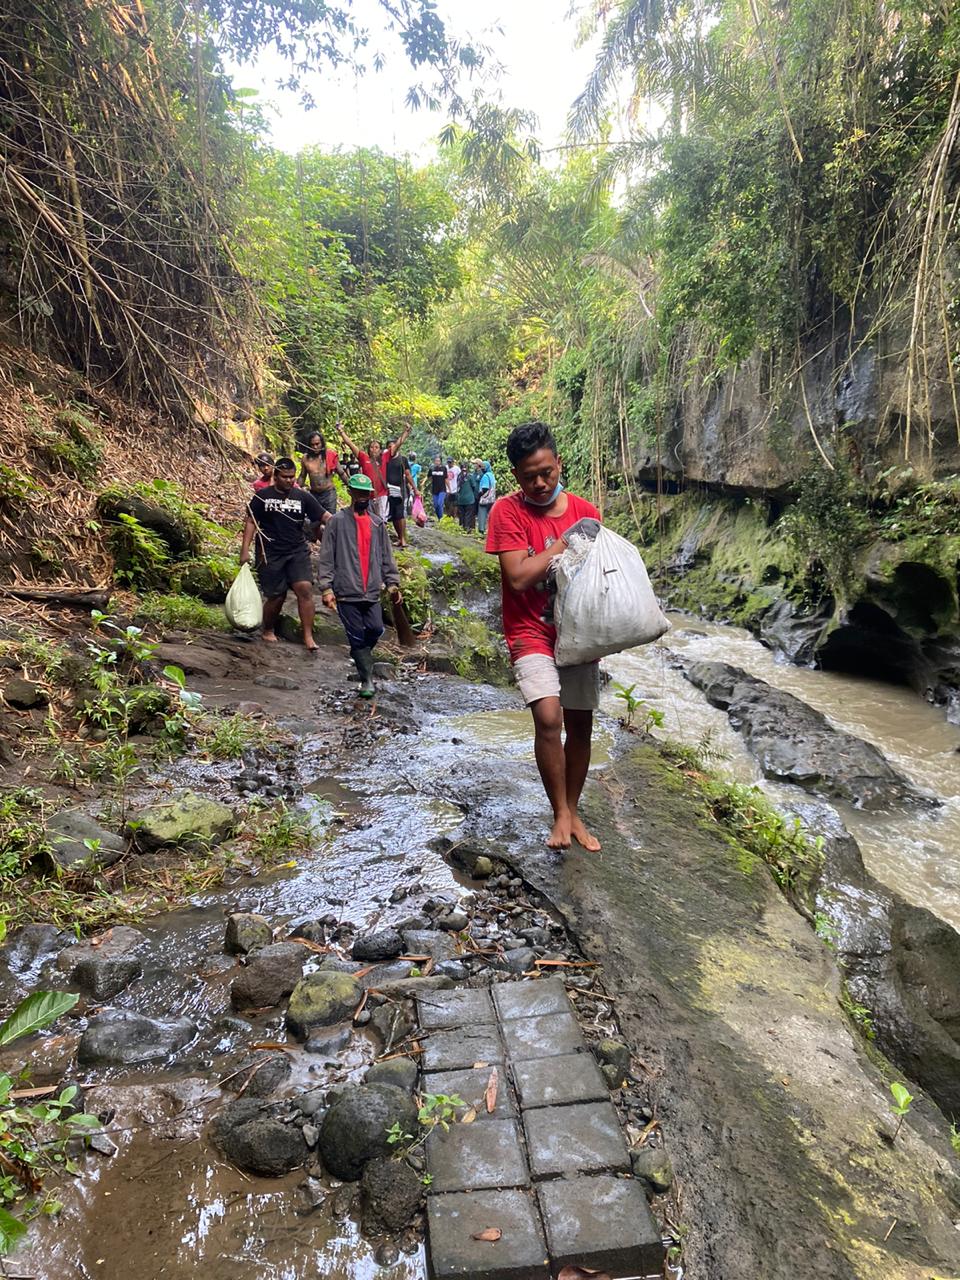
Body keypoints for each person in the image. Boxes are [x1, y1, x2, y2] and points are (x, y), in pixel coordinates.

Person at [485, 421, 602, 852]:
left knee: (580, 724)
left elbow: (598, 579)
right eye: (529, 475)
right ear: (515, 475)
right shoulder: (506, 512)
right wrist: (563, 546)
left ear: (559, 464)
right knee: (549, 717)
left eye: (546, 473)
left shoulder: (588, 513)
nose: (539, 483)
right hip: (529, 630)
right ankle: (559, 814)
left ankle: (573, 811)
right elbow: (517, 577)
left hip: (578, 633)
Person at [316, 473, 402, 699]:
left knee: (375, 629)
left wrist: (392, 582)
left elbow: (386, 555)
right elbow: (326, 557)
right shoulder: (336, 522)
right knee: (355, 635)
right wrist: (326, 588)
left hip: (371, 590)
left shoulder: (377, 523)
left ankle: (360, 657)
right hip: (346, 592)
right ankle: (367, 679)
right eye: (360, 493)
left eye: (367, 494)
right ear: (351, 493)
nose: (363, 497)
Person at [240, 457, 329, 651]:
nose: (289, 480)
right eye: (285, 477)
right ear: (276, 475)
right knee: (276, 595)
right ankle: (268, 628)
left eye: (292, 477)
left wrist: (344, 524)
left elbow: (323, 515)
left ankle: (308, 636)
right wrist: (244, 550)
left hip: (297, 550)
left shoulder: (302, 496)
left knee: (305, 589)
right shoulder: (263, 496)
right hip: (270, 552)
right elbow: (250, 521)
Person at [298, 431, 348, 516]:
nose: (315, 447)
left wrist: (351, 486)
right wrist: (296, 489)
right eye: (312, 445)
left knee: (330, 519)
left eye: (317, 444)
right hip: (314, 494)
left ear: (322, 443)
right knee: (315, 520)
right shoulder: (305, 458)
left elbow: (341, 473)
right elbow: (302, 476)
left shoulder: (329, 455)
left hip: (329, 494)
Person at [382, 439, 416, 549]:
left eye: (394, 446)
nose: (392, 448)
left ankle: (403, 538)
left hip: (400, 489)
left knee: (400, 514)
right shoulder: (385, 459)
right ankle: (398, 537)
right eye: (389, 446)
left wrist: (415, 489)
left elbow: (408, 474)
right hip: (387, 489)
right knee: (393, 515)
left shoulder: (402, 459)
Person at [456, 460, 478, 532]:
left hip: (460, 499)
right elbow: (474, 486)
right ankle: (467, 528)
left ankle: (461, 527)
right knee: (468, 514)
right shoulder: (470, 476)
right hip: (469, 499)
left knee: (461, 514)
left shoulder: (459, 476)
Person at [477, 460, 496, 534]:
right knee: (489, 514)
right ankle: (490, 529)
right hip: (492, 498)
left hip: (485, 498)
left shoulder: (485, 476)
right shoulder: (491, 475)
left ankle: (481, 529)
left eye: (483, 467)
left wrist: (480, 495)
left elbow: (485, 488)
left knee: (482, 513)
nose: (482, 468)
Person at [428, 455, 448, 522]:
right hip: (434, 490)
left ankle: (441, 518)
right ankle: (439, 517)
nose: (437, 462)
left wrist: (450, 489)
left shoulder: (444, 468)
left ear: (441, 462)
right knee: (436, 505)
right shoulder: (432, 469)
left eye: (438, 461)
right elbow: (429, 477)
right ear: (434, 461)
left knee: (440, 503)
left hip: (442, 489)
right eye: (436, 461)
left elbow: (446, 479)